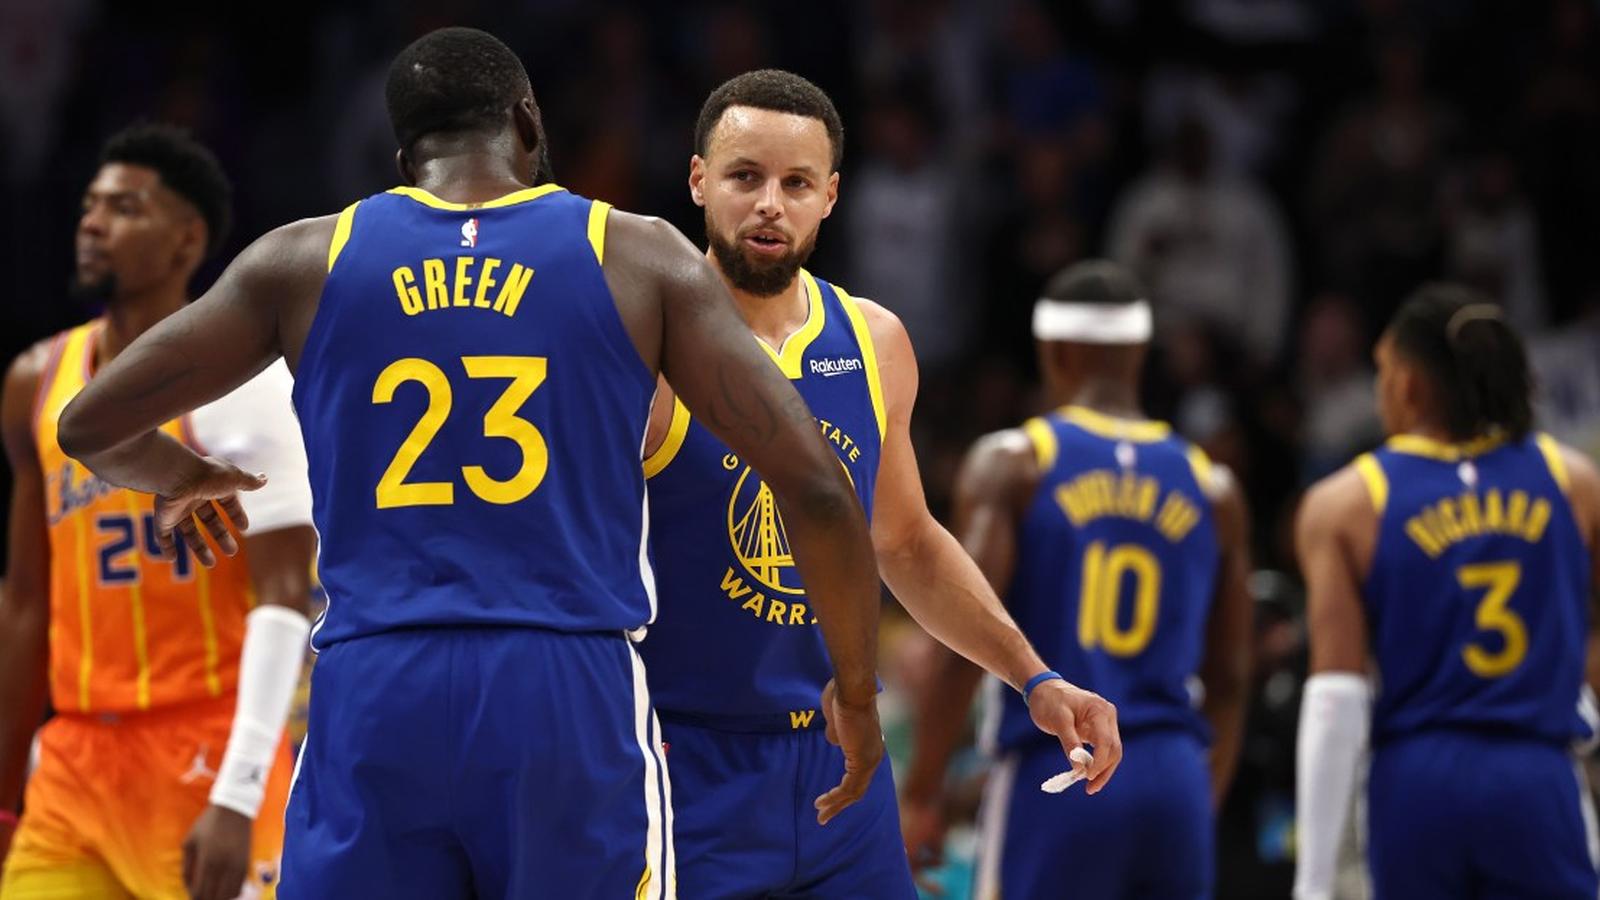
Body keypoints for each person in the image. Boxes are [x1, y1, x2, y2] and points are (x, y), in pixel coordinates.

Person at [55, 28, 887, 900]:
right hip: (563, 686)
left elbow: (89, 424)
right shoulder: (632, 252)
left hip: (376, 685)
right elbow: (817, 489)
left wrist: (183, 477)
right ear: (527, 124)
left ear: (403, 153)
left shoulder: (304, 260)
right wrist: (857, 698)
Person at [638, 71, 1122, 900]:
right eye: (744, 176)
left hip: (843, 762)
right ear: (697, 181)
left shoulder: (875, 341)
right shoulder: (642, 347)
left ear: (830, 196)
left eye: (795, 184)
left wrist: (1035, 679)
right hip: (685, 760)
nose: (769, 205)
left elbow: (904, 541)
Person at [0, 124, 317, 900]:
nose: (93, 222)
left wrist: (240, 791)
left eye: (124, 207)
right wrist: (4, 792)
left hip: (203, 747)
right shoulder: (35, 380)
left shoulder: (243, 382)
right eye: (89, 205)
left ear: (187, 241)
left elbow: (287, 598)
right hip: (76, 761)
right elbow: (25, 604)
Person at [901, 260, 1253, 900]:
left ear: (1053, 351)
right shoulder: (1214, 486)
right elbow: (1230, 674)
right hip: (1174, 778)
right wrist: (1198, 798)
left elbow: (960, 637)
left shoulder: (1017, 464)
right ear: (1139, 355)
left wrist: (921, 790)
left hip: (1061, 768)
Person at [1295, 284, 1600, 900]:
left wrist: (1314, 879)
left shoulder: (1348, 501)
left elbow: (1336, 696)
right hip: (1536, 771)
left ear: (1407, 383)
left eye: (1382, 371)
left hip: (1417, 778)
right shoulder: (1575, 481)